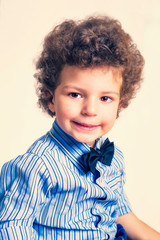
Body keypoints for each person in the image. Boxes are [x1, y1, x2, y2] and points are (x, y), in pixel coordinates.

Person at [0, 15, 159, 240]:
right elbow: (12, 228)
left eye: (105, 98)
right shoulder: (38, 166)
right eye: (75, 94)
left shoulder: (112, 159)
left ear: (120, 104)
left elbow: (122, 215)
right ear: (51, 98)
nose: (90, 110)